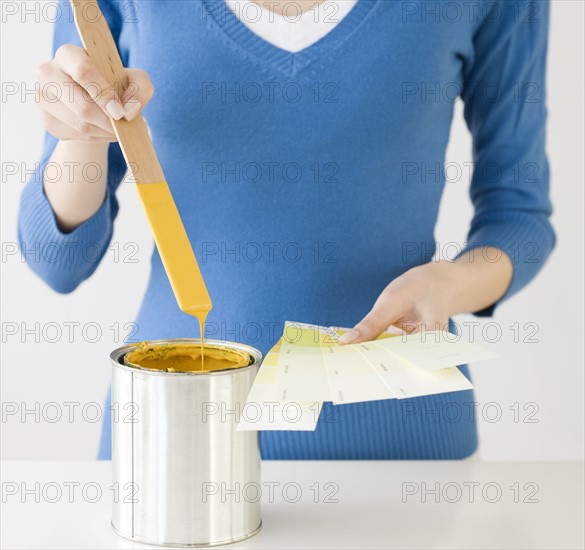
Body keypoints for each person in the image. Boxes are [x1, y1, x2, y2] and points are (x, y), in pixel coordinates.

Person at [19, 0, 555, 460]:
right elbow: (57, 260)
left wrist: (449, 285)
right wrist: (79, 134)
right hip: (168, 453)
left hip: (404, 457)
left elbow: (520, 215)